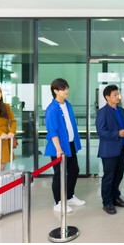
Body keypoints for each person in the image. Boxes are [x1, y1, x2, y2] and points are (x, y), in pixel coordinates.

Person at [44, 78, 85, 213]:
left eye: (67, 88)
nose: (66, 91)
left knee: (74, 170)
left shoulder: (68, 105)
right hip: (58, 147)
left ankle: (69, 196)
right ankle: (58, 202)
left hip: (70, 144)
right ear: (56, 91)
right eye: (63, 89)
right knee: (59, 174)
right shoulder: (51, 109)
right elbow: (52, 131)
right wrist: (59, 149)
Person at [96, 84, 124, 215]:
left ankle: (115, 197)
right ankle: (107, 202)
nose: (118, 97)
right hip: (109, 150)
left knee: (118, 175)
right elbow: (101, 132)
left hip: (121, 148)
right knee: (109, 177)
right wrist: (117, 134)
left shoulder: (121, 111)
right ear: (107, 97)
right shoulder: (102, 112)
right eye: (115, 95)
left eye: (118, 94)